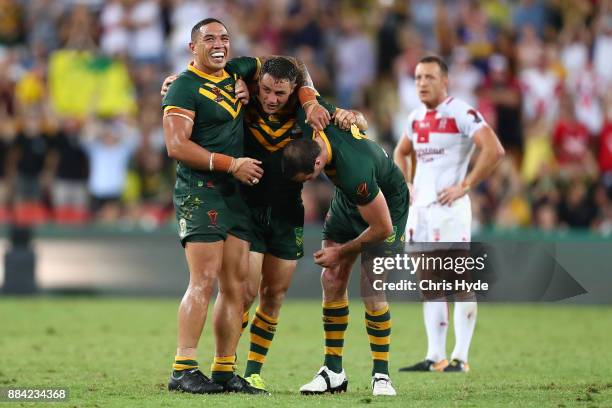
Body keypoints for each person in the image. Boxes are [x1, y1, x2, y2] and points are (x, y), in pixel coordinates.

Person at [161, 56, 364, 393]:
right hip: (246, 207)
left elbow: (353, 122)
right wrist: (176, 80)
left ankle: (252, 371)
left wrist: (353, 116)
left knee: (274, 294)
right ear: (258, 84)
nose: (270, 98)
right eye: (266, 90)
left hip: (286, 210)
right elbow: (206, 78)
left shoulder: (307, 109)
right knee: (243, 291)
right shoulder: (242, 96)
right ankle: (225, 365)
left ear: (294, 91)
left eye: (280, 93)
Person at [162, 17, 266, 394]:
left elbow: (267, 64)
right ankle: (183, 367)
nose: (219, 44)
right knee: (203, 280)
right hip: (200, 190)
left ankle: (224, 369)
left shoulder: (234, 70)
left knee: (237, 286)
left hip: (235, 193)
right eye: (209, 39)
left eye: (224, 38)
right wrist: (231, 164)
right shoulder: (183, 88)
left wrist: (249, 81)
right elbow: (176, 146)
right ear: (193, 48)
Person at [282, 105, 410, 396]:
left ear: (317, 165)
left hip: (386, 207)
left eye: (307, 179)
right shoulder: (315, 118)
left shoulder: (356, 171)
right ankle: (332, 371)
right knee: (331, 279)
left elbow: (382, 229)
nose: (307, 185)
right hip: (348, 200)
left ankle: (381, 375)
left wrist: (341, 252)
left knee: (371, 288)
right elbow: (302, 79)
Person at [393, 55, 504, 373]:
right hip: (421, 211)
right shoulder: (415, 118)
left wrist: (465, 184)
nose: (422, 83)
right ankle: (435, 356)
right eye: (417, 78)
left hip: (449, 210)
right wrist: (407, 184)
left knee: (458, 279)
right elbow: (401, 151)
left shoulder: (460, 112)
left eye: (428, 77)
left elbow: (494, 149)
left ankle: (461, 357)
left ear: (445, 81)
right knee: (428, 282)